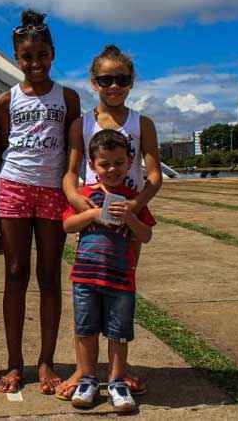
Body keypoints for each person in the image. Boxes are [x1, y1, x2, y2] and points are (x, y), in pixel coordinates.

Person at [56, 44, 162, 399]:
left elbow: (154, 174)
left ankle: (118, 372)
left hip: (127, 214)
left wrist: (136, 205)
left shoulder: (141, 123)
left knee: (121, 287)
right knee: (87, 289)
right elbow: (70, 173)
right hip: (92, 212)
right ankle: (84, 370)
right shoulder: (81, 124)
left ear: (131, 82)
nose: (114, 86)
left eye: (122, 79)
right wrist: (78, 202)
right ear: (93, 81)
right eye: (106, 79)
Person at [0, 10, 81, 394]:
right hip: (14, 186)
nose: (35, 63)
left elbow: (72, 145)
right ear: (17, 58)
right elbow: (4, 145)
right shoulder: (5, 99)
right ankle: (15, 363)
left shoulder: (68, 97)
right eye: (27, 57)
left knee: (49, 275)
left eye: (42, 55)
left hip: (51, 189)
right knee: (15, 272)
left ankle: (45, 360)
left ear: (53, 54)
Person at [62, 129, 155, 413]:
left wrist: (129, 216)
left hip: (120, 280)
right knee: (86, 330)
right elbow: (68, 226)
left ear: (129, 162)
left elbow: (146, 235)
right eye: (104, 164)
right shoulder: (84, 196)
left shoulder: (133, 199)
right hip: (85, 279)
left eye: (118, 162)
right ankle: (88, 379)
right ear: (92, 166)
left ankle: (116, 381)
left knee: (118, 334)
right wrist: (90, 214)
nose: (112, 169)